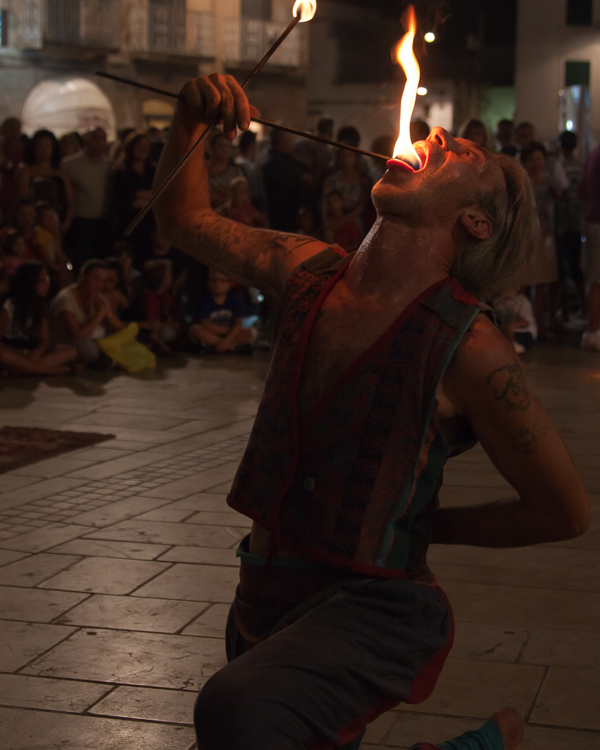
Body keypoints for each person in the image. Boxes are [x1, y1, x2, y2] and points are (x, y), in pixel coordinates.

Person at [154, 74, 589, 750]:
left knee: (236, 712)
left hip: (373, 611)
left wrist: (424, 527)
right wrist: (189, 125)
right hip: (265, 593)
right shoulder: (306, 268)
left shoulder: (471, 347)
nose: (436, 137)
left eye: (466, 154)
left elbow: (562, 510)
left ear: (474, 221)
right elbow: (183, 222)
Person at [0, 261, 77, 375]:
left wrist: (38, 351)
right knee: (5, 357)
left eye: (48, 279)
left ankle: (21, 371)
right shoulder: (8, 306)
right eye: (43, 280)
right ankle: (52, 371)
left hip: (29, 349)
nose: (48, 283)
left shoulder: (40, 303)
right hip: (12, 349)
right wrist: (21, 352)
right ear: (31, 283)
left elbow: (44, 340)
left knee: (71, 351)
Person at [520, 141, 561, 338]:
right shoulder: (523, 182)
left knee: (545, 282)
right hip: (531, 238)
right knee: (529, 281)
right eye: (532, 159)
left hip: (547, 237)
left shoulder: (550, 182)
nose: (536, 163)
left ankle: (543, 323)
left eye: (539, 159)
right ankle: (532, 325)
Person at [49, 259, 124, 366]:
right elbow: (77, 335)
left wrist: (106, 312)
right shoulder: (66, 299)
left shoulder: (95, 297)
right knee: (89, 351)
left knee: (117, 338)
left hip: (86, 339)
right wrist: (100, 314)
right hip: (64, 343)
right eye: (96, 279)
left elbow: (117, 326)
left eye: (103, 281)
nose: (99, 285)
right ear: (82, 277)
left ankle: (101, 359)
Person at [62, 127, 112, 271]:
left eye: (103, 138)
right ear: (86, 140)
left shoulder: (110, 166)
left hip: (103, 223)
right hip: (81, 224)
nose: (99, 142)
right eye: (95, 137)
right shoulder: (70, 165)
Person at [110, 131, 155, 266]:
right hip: (128, 222)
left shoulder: (153, 171)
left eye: (146, 146)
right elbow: (125, 199)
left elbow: (160, 195)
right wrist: (149, 197)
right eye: (139, 145)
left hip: (149, 223)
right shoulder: (122, 171)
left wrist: (137, 194)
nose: (143, 149)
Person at [17, 129, 75, 232]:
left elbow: (71, 203)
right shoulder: (26, 171)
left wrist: (65, 224)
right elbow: (23, 200)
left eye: (48, 146)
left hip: (57, 223)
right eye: (40, 146)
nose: (44, 150)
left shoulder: (61, 173)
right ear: (33, 148)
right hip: (33, 225)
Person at [555, 131, 585, 320]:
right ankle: (583, 306)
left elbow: (561, 196)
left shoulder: (559, 167)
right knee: (576, 268)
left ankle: (563, 310)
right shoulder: (581, 166)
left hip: (563, 223)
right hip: (578, 222)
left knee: (562, 268)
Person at [189, 268, 256, 353]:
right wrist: (228, 334)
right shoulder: (204, 300)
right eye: (213, 281)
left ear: (229, 284)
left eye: (222, 281)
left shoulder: (235, 300)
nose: (217, 284)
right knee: (196, 331)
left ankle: (214, 346)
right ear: (208, 282)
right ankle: (231, 347)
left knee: (252, 332)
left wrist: (227, 339)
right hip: (211, 332)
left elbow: (238, 324)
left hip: (228, 334)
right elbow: (206, 325)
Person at [579, 139, 600, 350]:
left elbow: (582, 190)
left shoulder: (593, 154)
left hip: (593, 220)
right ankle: (593, 331)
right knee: (596, 279)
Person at [140, 259, 181, 354]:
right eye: (169, 275)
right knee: (167, 332)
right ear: (164, 279)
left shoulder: (166, 296)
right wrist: (170, 325)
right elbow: (152, 323)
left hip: (159, 327)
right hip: (146, 331)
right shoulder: (150, 297)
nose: (172, 277)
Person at [206, 131, 244, 209]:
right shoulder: (202, 168)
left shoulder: (236, 172)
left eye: (227, 145)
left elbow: (240, 197)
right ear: (212, 148)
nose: (224, 149)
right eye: (220, 145)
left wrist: (213, 192)